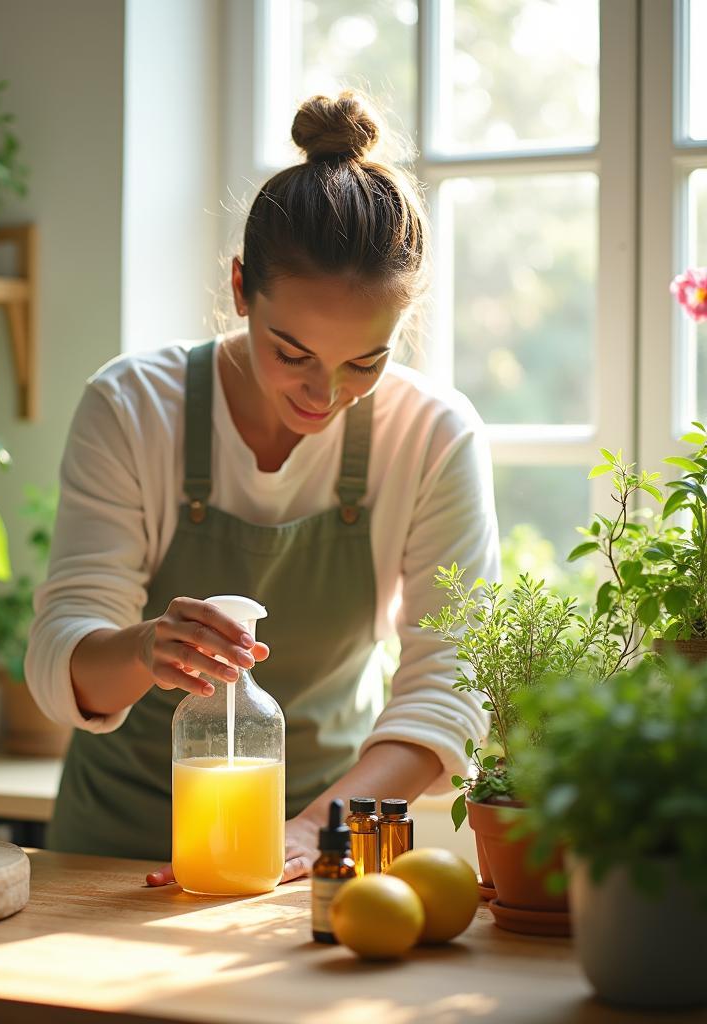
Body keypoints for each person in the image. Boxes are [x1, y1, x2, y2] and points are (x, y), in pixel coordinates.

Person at [25, 90, 498, 886]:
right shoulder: (134, 407)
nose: (324, 393)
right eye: (291, 352)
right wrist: (144, 649)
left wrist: (315, 829)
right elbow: (60, 654)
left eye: (365, 363)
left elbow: (452, 684)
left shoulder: (432, 435)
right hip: (112, 856)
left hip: (327, 851)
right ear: (242, 288)